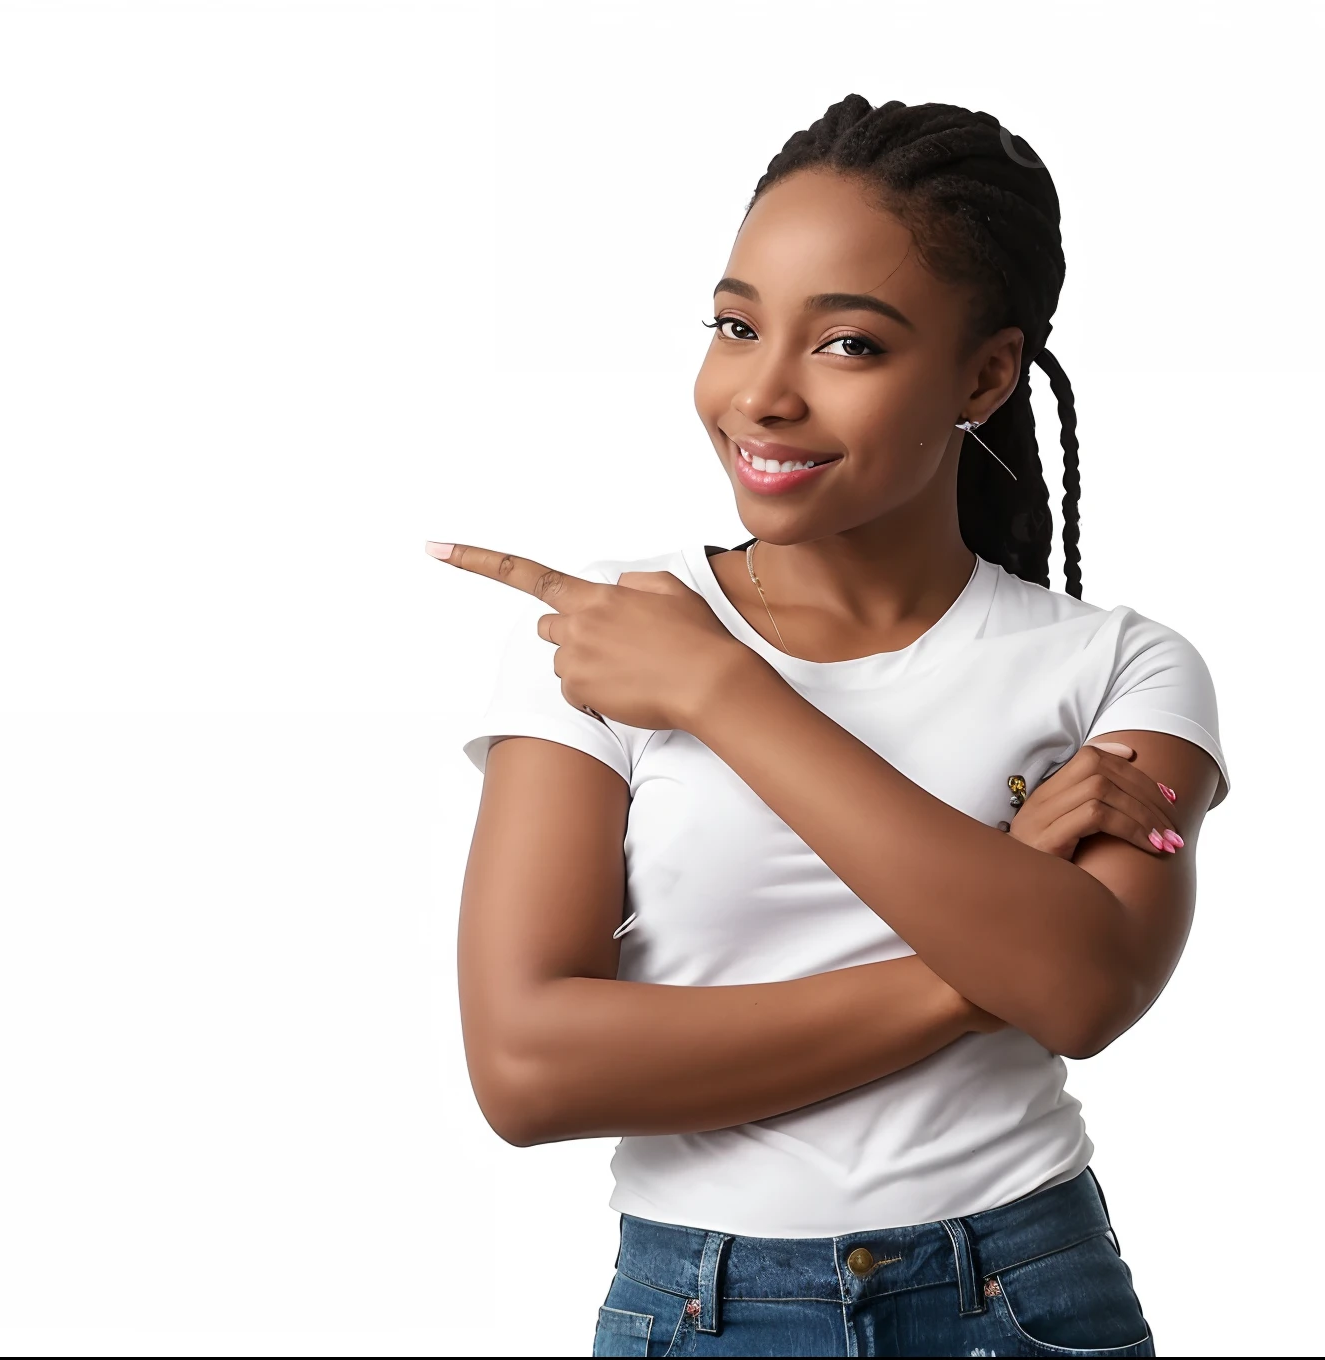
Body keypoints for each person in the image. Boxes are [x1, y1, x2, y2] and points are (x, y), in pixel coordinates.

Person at [429, 94, 1227, 1358]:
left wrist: (720, 693)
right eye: (735, 325)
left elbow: (1082, 994)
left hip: (1022, 1295)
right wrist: (993, 945)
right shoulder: (605, 642)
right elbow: (526, 1070)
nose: (761, 393)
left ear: (981, 374)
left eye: (847, 345)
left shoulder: (1116, 667)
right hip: (702, 1309)